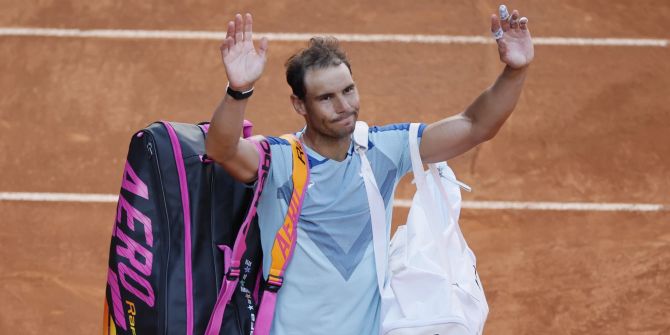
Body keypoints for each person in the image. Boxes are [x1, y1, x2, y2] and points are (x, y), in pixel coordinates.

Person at [206, 5, 533, 334]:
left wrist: (514, 72)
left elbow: (475, 125)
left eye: (348, 90)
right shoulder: (279, 160)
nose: (344, 106)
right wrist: (238, 91)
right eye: (326, 98)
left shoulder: (383, 150)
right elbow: (222, 149)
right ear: (299, 105)